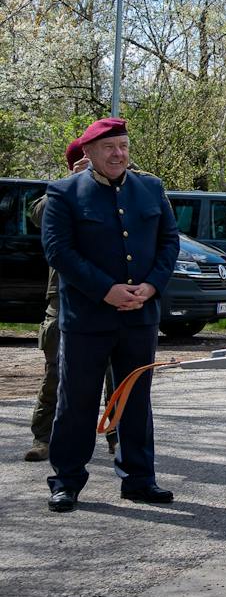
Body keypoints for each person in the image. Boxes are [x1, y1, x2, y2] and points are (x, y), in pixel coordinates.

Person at [41, 117, 179, 513]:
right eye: (108, 148)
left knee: (136, 400)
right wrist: (107, 291)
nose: (118, 154)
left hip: (140, 314)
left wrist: (151, 286)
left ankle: (138, 479)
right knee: (77, 401)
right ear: (88, 153)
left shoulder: (150, 188)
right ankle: (67, 480)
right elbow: (59, 252)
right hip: (88, 318)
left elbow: (169, 241)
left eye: (123, 146)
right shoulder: (64, 193)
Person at [23, 146, 118, 463]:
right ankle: (44, 437)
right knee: (57, 372)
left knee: (117, 374)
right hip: (64, 297)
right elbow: (37, 215)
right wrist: (73, 181)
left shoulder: (118, 191)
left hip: (111, 294)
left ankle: (120, 440)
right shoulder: (61, 194)